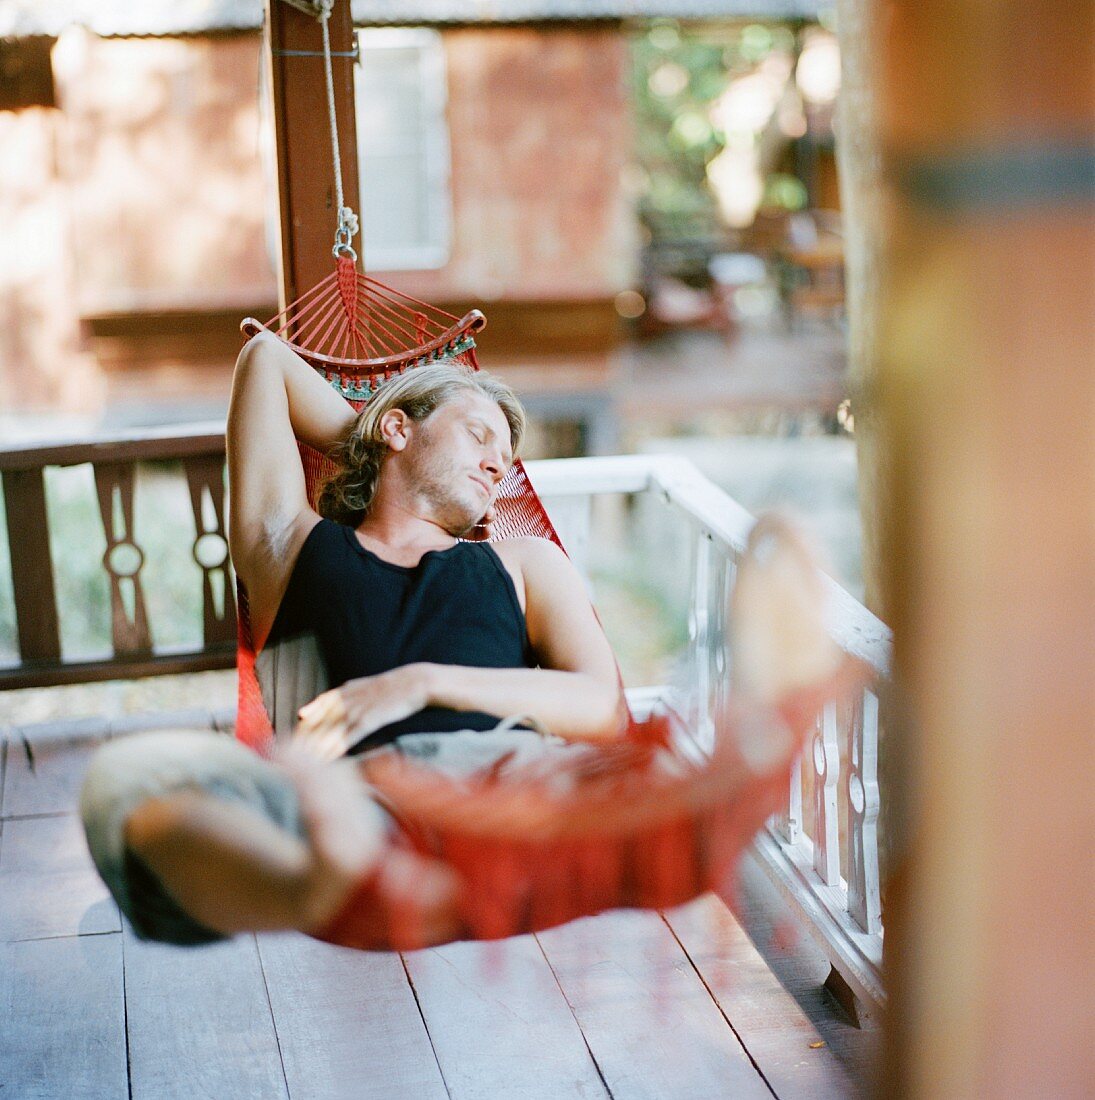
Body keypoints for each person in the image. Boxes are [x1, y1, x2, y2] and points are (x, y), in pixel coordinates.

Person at [80, 331, 848, 952]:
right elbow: (267, 361)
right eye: (479, 435)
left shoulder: (521, 561)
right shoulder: (290, 546)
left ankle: (702, 796)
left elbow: (598, 706)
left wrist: (423, 682)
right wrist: (376, 437)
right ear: (394, 428)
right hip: (357, 793)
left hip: (505, 776)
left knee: (597, 783)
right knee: (130, 792)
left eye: (505, 459)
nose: (496, 463)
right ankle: (356, 875)